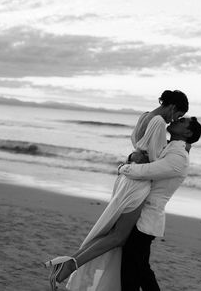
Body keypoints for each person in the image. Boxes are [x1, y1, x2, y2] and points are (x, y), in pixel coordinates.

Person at [44, 90, 189, 291]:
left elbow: (139, 149)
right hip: (138, 185)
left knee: (113, 233)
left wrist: (130, 159)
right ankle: (70, 264)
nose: (176, 119)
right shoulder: (158, 123)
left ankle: (70, 262)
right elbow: (155, 160)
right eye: (178, 115)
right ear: (173, 107)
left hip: (127, 180)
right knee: (118, 236)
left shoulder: (145, 116)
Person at [120, 116, 201, 291]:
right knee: (140, 268)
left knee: (131, 268)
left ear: (188, 132)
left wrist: (122, 168)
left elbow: (146, 171)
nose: (175, 121)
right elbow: (141, 148)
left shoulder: (179, 156)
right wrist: (131, 157)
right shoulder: (168, 147)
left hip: (148, 218)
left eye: (181, 122)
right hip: (141, 213)